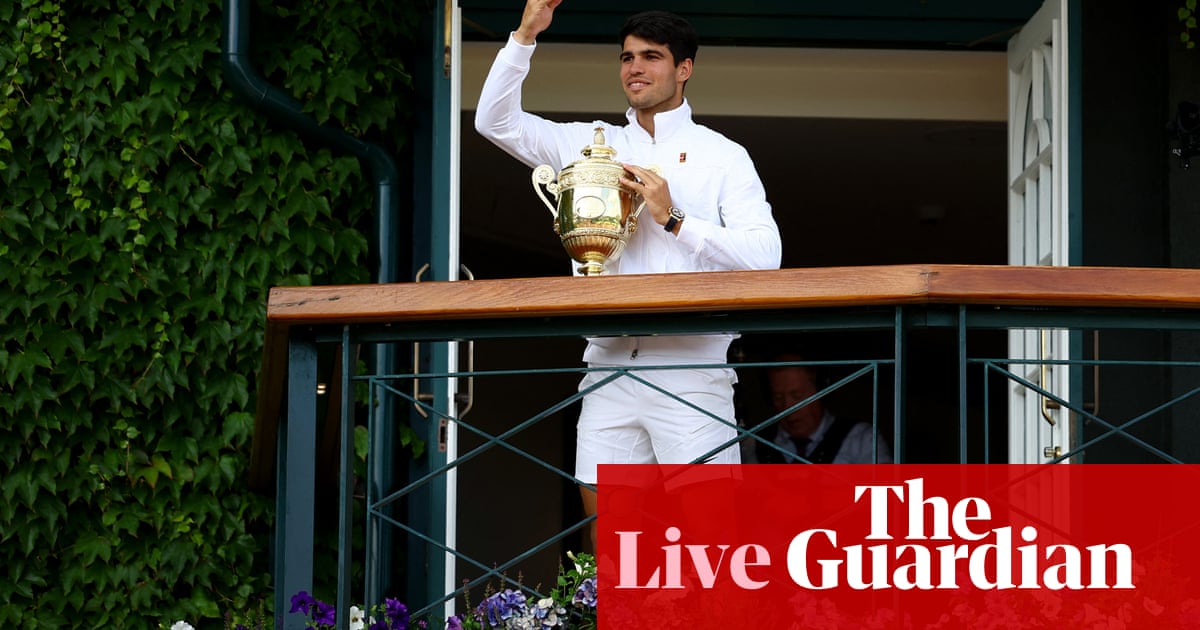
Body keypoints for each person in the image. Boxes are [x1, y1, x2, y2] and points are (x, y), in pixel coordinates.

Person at [475, 0, 782, 541]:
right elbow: (493, 121)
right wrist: (526, 34)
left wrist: (676, 218)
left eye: (652, 57)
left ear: (684, 69)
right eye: (627, 57)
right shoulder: (590, 144)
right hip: (608, 366)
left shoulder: (724, 156)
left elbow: (765, 256)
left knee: (711, 541)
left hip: (691, 367)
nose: (635, 68)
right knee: (612, 550)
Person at [742, 354, 893, 464]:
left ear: (822, 390)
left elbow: (885, 499)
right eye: (778, 398)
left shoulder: (861, 439)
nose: (787, 407)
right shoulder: (754, 445)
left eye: (797, 396)